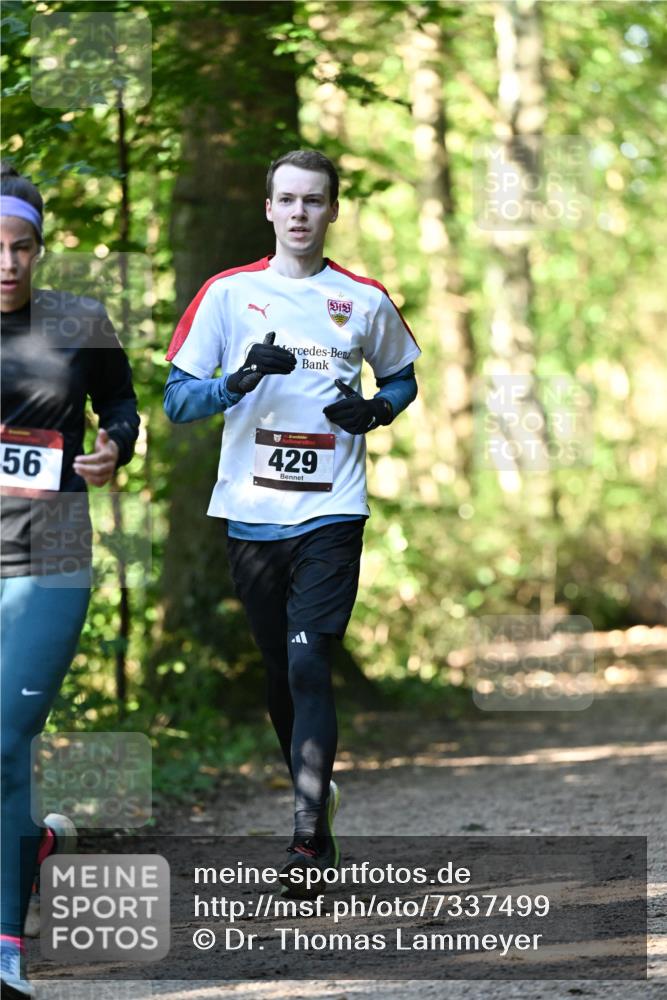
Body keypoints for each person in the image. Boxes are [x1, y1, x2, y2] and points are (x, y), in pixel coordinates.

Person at [164, 149, 419, 893]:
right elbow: (178, 402)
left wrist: (376, 409)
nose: (301, 213)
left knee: (310, 663)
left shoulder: (362, 298)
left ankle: (307, 844)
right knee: (281, 673)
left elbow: (401, 377)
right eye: (288, 200)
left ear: (332, 210)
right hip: (250, 515)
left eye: (315, 200)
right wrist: (239, 379)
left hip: (332, 510)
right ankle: (318, 800)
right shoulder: (228, 295)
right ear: (268, 209)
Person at [0, 163, 140, 997]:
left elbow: (121, 405)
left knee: (5, 740)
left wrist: (115, 445)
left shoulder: (79, 320)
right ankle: (32, 845)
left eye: (23, 247)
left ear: (41, 249)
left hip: (51, 555)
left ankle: (6, 944)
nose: (8, 262)